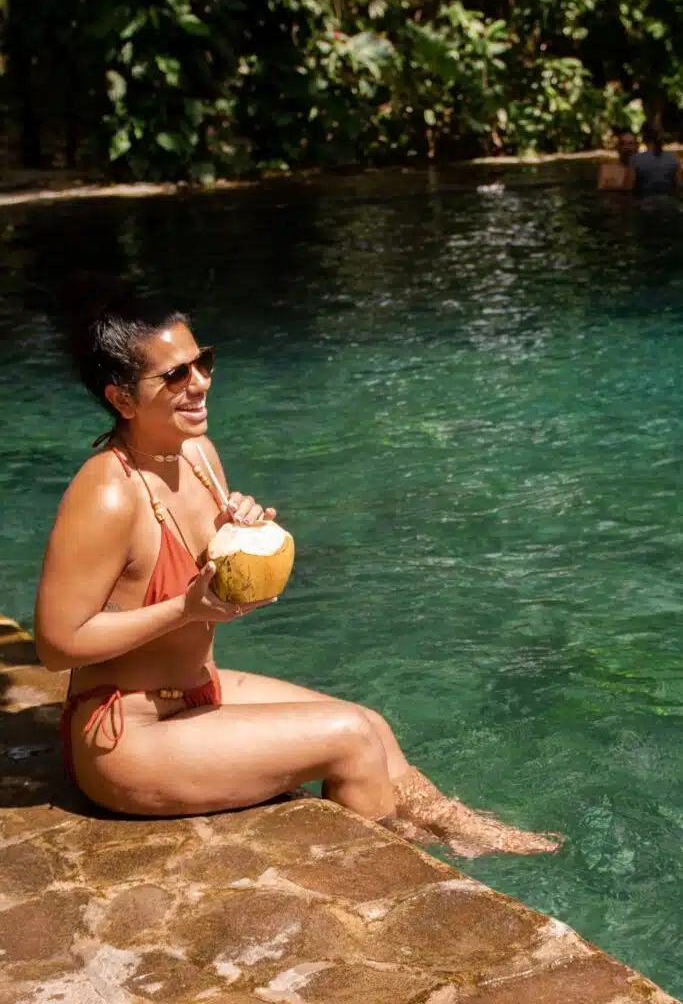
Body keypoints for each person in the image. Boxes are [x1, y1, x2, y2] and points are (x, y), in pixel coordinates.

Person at [35, 276, 561, 858]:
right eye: (175, 375)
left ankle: (459, 833)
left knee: (371, 723)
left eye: (201, 362)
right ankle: (396, 878)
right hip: (127, 734)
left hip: (193, 691)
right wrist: (184, 610)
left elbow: (209, 574)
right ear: (123, 399)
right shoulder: (108, 492)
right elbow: (58, 645)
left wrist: (240, 528)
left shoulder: (198, 454)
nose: (200, 383)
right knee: (351, 742)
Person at [628, 123, 681, 197]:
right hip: (669, 205)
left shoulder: (635, 159)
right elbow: (678, 187)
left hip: (644, 205)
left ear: (643, 138)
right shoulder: (674, 158)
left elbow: (628, 189)